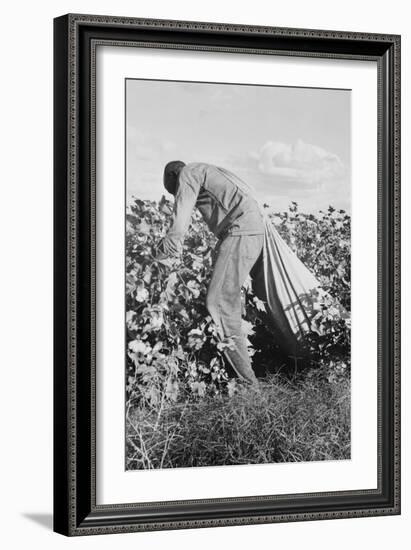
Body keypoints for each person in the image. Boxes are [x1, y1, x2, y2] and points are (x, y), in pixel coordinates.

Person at [157, 161, 265, 385]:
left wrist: (167, 249)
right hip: (248, 232)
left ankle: (249, 385)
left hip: (240, 232)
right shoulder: (207, 171)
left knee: (220, 304)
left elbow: (181, 215)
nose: (179, 194)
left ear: (173, 175)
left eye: (175, 190)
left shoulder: (189, 173)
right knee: (231, 299)